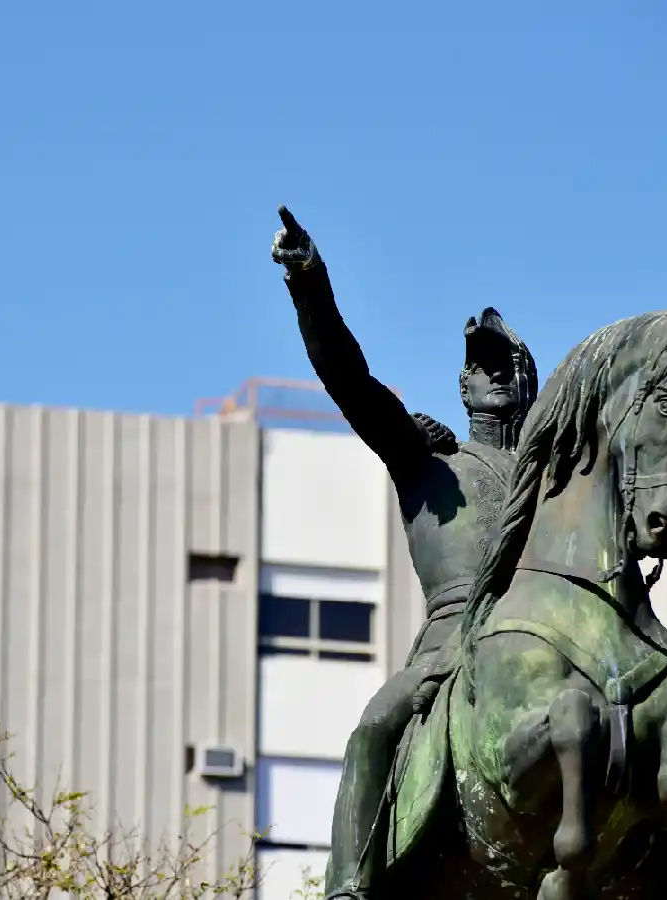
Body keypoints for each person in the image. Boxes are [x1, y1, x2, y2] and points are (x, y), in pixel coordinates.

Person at [271, 205, 537, 900]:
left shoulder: (557, 478)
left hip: (544, 639)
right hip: (450, 647)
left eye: (505, 363)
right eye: (480, 366)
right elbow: (349, 381)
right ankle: (347, 884)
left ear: (527, 382)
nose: (494, 375)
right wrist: (310, 283)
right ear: (462, 387)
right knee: (371, 733)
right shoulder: (426, 461)